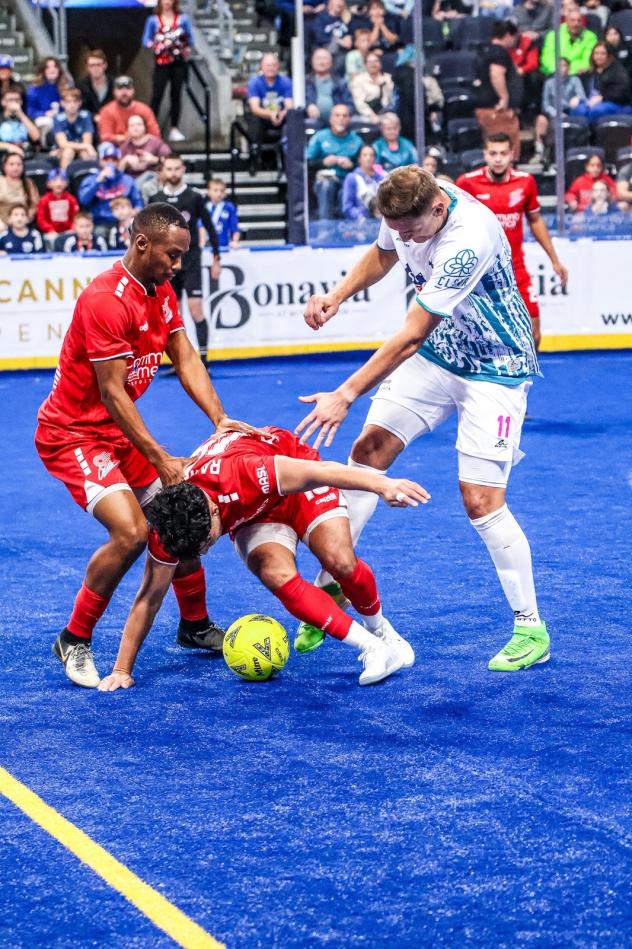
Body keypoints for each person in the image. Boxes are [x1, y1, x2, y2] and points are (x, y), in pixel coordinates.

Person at [294, 166, 550, 673]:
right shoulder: (408, 205)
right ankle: (335, 585)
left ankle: (530, 627)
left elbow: (410, 335)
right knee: (368, 454)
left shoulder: (468, 237)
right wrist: (337, 295)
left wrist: (346, 394)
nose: (404, 238)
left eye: (411, 229)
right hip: (439, 355)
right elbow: (384, 253)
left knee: (481, 501)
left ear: (437, 207)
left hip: (494, 368)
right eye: (397, 227)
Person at [35, 203, 254, 689]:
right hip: (72, 434)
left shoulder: (160, 291)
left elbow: (184, 355)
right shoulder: (105, 301)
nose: (178, 266)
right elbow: (113, 393)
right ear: (141, 244)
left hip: (116, 433)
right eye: (172, 256)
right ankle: (74, 637)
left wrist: (219, 418)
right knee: (132, 533)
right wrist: (159, 456)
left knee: (180, 513)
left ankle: (194, 625)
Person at [97, 426, 427, 691]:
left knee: (339, 561)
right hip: (252, 513)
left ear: (213, 511)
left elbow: (323, 471)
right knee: (275, 574)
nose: (208, 550)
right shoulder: (172, 521)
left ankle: (382, 630)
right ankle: (372, 647)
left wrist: (383, 485)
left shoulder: (246, 472)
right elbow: (149, 598)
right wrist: (121, 670)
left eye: (208, 541)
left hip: (292, 483)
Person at [456, 132, 568, 348]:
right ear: (485, 155)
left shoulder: (525, 182)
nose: (498, 158)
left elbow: (535, 220)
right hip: (480, 274)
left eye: (503, 153)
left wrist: (554, 260)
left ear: (512, 155)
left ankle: (524, 382)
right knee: (477, 337)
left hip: (516, 271)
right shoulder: (467, 184)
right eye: (493, 153)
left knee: (534, 334)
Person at [149, 153, 221, 365]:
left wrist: (217, 258)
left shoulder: (194, 197)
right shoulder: (155, 199)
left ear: (183, 170)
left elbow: (209, 227)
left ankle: (204, 360)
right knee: (174, 315)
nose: (173, 173)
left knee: (195, 307)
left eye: (176, 168)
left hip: (190, 262)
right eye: (169, 169)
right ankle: (182, 363)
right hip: (165, 265)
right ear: (163, 171)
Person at [142, 0, 194, 143]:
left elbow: (190, 39)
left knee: (176, 95)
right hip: (161, 63)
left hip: (178, 63)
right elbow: (145, 40)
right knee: (157, 95)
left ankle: (174, 127)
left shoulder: (183, 19)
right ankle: (150, 129)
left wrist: (184, 46)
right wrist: (157, 44)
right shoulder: (153, 20)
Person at [475, 20, 523, 161]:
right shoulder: (499, 52)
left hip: (488, 107)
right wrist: (504, 98)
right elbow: (496, 74)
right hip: (496, 110)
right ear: (508, 35)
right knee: (503, 151)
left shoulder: (486, 50)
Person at [307, 103, 363, 219]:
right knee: (327, 186)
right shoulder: (320, 137)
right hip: (325, 179)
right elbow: (306, 163)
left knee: (348, 190)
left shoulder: (357, 140)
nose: (341, 119)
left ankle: (351, 230)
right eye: (337, 115)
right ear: (331, 119)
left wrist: (352, 165)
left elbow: (365, 165)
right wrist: (323, 163)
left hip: (347, 179)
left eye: (344, 116)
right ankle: (325, 227)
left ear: (349, 119)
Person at [78, 143, 143, 231]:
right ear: (100, 161)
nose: (110, 163)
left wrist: (133, 212)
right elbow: (83, 201)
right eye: (106, 159)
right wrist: (98, 181)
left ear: (118, 162)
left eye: (114, 160)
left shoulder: (127, 179)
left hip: (123, 221)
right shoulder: (91, 179)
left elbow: (138, 203)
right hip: (100, 222)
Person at [532, 57, 585, 162]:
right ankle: (540, 151)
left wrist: (577, 99)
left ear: (569, 68)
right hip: (553, 113)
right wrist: (557, 113)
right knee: (541, 120)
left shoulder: (575, 80)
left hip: (571, 113)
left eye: (565, 66)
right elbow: (545, 104)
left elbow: (582, 97)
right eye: (560, 66)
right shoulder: (549, 83)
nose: (563, 69)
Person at [246, 53, 294, 170]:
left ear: (278, 67)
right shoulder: (255, 82)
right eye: (268, 65)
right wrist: (270, 114)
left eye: (274, 65)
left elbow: (289, 105)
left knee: (292, 119)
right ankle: (254, 158)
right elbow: (255, 108)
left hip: (281, 117)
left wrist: (281, 114)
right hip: (262, 117)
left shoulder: (286, 82)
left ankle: (288, 160)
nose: (271, 68)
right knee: (254, 121)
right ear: (261, 66)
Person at [570, 41, 632, 122]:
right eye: (596, 53)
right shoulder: (590, 72)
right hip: (591, 101)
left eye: (603, 54)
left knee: (596, 112)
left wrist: (603, 97)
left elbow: (622, 93)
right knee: (577, 110)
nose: (599, 56)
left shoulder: (619, 72)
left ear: (609, 56)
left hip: (615, 103)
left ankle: (593, 134)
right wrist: (578, 97)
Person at [119, 114, 171, 203]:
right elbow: (117, 172)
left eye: (139, 124)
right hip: (132, 180)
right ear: (128, 129)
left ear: (144, 127)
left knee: (147, 179)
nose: (136, 128)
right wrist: (125, 161)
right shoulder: (124, 146)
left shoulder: (155, 142)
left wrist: (153, 160)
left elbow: (171, 160)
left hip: (152, 179)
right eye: (132, 125)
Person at [98, 76, 161, 147]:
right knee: (105, 146)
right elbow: (104, 137)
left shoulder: (144, 110)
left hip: (142, 146)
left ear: (133, 91)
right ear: (114, 92)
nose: (124, 92)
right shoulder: (107, 110)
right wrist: (126, 138)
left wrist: (141, 139)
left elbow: (155, 135)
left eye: (128, 88)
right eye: (120, 89)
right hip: (116, 147)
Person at [540, 9, 597, 76]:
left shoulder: (590, 37)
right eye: (572, 20)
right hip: (553, 73)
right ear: (566, 21)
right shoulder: (553, 35)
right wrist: (559, 70)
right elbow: (547, 57)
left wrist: (568, 71)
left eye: (579, 20)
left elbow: (587, 60)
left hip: (578, 74)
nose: (576, 24)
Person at [305, 48, 354, 126]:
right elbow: (298, 103)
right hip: (313, 121)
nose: (321, 62)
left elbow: (350, 105)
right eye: (318, 58)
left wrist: (341, 112)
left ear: (331, 62)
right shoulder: (305, 82)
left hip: (337, 123)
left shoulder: (341, 83)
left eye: (324, 58)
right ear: (312, 62)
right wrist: (308, 105)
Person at [52, 87, 97, 170]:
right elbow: (63, 143)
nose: (72, 105)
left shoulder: (86, 116)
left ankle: (87, 177)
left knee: (86, 153)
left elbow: (87, 141)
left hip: (82, 149)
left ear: (80, 103)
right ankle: (64, 178)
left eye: (75, 101)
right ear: (62, 103)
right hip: (63, 150)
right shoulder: (58, 118)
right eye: (68, 102)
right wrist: (87, 146)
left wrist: (87, 147)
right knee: (68, 151)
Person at [26, 57, 68, 140]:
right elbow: (30, 111)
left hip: (64, 119)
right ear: (43, 71)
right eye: (48, 67)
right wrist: (45, 114)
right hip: (44, 121)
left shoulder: (67, 86)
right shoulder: (34, 89)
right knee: (46, 123)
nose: (52, 70)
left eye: (55, 67)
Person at [36, 169, 79, 247]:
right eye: (55, 180)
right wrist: (50, 230)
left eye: (62, 180)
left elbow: (75, 217)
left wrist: (72, 229)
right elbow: (41, 219)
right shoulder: (44, 200)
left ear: (66, 183)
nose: (59, 183)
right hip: (51, 232)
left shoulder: (71, 199)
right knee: (50, 240)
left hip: (68, 231)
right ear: (48, 183)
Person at [349, 50, 395, 122]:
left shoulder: (388, 78)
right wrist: (371, 115)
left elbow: (392, 99)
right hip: (365, 114)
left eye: (376, 61)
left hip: (385, 112)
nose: (373, 64)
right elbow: (359, 103)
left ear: (380, 64)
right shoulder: (358, 80)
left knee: (393, 120)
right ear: (365, 65)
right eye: (370, 62)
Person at [342, 144, 385, 219]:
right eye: (365, 155)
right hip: (361, 219)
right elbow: (347, 207)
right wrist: (359, 215)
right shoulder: (352, 178)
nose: (368, 158)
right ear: (359, 158)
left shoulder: (381, 177)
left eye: (371, 155)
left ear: (374, 159)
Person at [0, 152, 38, 226]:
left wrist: (26, 219)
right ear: (4, 166)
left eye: (19, 164)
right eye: (11, 164)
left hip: (22, 222)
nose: (15, 167)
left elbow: (35, 205)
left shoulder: (28, 183)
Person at [0, 87, 40, 158]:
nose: (14, 103)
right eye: (10, 100)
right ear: (3, 102)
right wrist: (9, 146)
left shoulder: (27, 118)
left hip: (26, 155)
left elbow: (36, 137)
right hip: (4, 157)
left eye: (17, 100)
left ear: (21, 102)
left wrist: (20, 113)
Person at [204, 177, 241, 251]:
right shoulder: (204, 207)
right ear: (209, 192)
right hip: (207, 246)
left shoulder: (229, 207)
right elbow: (200, 227)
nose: (219, 193)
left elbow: (235, 227)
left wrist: (235, 241)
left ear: (225, 193)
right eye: (215, 190)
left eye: (222, 191)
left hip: (224, 246)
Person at [77, 49, 114, 119]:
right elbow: (80, 109)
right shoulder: (81, 86)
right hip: (89, 124)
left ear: (105, 65)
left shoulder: (114, 83)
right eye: (92, 65)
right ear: (87, 68)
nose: (95, 68)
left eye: (98, 65)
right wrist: (94, 117)